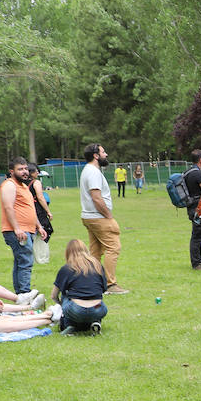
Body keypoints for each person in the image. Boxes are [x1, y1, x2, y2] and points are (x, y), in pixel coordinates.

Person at [78, 143, 129, 294]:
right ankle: (110, 284)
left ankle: (92, 283)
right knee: (113, 247)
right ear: (96, 155)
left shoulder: (88, 170)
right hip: (98, 217)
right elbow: (97, 198)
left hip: (89, 217)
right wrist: (109, 216)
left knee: (95, 251)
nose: (106, 155)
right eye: (103, 152)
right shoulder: (93, 172)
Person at [0, 157, 47, 297]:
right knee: (26, 260)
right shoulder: (10, 185)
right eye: (20, 169)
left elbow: (30, 207)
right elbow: (8, 207)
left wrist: (39, 226)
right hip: (18, 230)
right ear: (12, 171)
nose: (25, 172)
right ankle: (25, 293)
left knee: (21, 261)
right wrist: (17, 228)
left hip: (28, 229)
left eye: (26, 168)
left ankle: (21, 293)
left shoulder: (24, 186)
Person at [49, 239, 108, 334]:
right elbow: (103, 289)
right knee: (96, 297)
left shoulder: (66, 269)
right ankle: (96, 321)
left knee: (65, 294)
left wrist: (61, 304)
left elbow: (54, 295)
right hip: (98, 308)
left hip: (76, 309)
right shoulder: (98, 266)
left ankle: (69, 325)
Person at [183, 150, 201, 270]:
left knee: (199, 234)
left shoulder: (188, 172)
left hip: (192, 206)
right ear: (200, 160)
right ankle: (196, 263)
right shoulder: (198, 174)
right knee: (197, 236)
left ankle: (199, 260)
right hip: (197, 208)